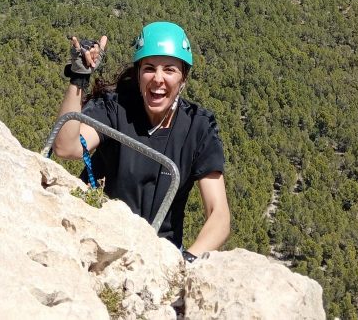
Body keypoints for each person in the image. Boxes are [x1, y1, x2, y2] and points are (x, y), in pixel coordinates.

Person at [52, 21, 230, 258]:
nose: (158, 78)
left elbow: (219, 214)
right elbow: (66, 147)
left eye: (169, 69)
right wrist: (79, 78)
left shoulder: (198, 128)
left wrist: (188, 259)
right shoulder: (115, 109)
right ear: (138, 75)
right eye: (149, 68)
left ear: (183, 79)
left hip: (159, 253)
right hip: (99, 239)